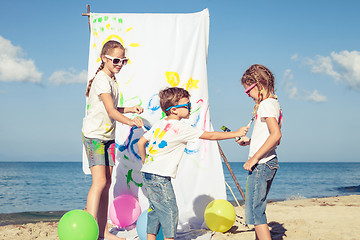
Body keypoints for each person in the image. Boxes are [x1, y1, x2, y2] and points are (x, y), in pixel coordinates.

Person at [137, 87, 249, 240]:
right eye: (187, 105)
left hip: (147, 173)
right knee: (170, 211)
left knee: (155, 210)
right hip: (160, 178)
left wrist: (145, 163)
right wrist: (235, 133)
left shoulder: (160, 123)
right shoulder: (181, 128)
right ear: (174, 110)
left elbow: (141, 142)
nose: (190, 108)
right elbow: (210, 135)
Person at [82, 40, 144, 240]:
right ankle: (90, 231)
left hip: (108, 137)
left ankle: (102, 232)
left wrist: (130, 109)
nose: (119, 64)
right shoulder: (101, 79)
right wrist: (130, 122)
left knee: (107, 183)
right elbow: (110, 111)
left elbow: (111, 109)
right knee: (99, 182)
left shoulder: (112, 80)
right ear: (104, 58)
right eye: (116, 60)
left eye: (123, 60)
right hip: (94, 137)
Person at [236, 64, 282, 240]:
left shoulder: (266, 105)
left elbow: (276, 134)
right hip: (268, 162)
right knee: (257, 209)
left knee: (256, 212)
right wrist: (250, 142)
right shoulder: (274, 104)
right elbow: (274, 139)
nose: (248, 95)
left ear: (258, 85)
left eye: (248, 91)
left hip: (262, 164)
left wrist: (254, 158)